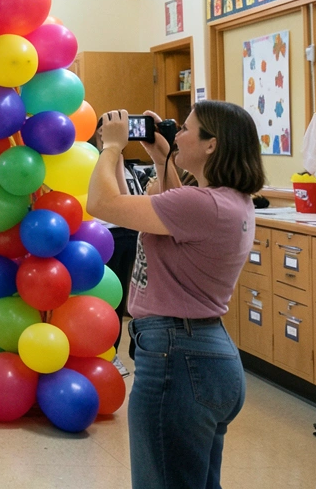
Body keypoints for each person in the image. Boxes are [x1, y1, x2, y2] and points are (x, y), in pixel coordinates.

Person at [86, 104, 263, 489]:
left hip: (178, 358)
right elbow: (175, 214)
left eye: (186, 128)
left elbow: (101, 204)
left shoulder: (201, 204)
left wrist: (111, 147)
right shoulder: (228, 201)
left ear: (212, 145)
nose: (177, 132)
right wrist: (162, 155)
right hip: (206, 352)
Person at [89, 116, 142, 378]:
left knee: (117, 301)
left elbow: (125, 199)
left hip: (125, 234)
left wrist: (117, 155)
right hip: (98, 235)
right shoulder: (89, 159)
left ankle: (112, 353)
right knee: (98, 299)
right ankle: (95, 350)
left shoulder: (121, 161)